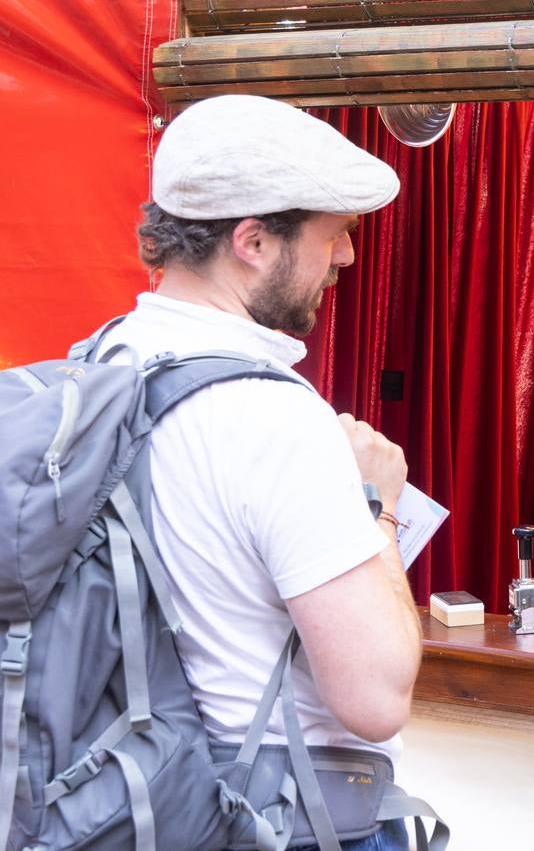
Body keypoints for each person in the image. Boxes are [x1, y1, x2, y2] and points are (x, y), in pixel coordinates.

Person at [96, 95, 422, 849]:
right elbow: (375, 696)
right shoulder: (272, 416)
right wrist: (379, 503)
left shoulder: (104, 363)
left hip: (137, 800)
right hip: (283, 814)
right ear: (252, 241)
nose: (346, 256)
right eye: (333, 233)